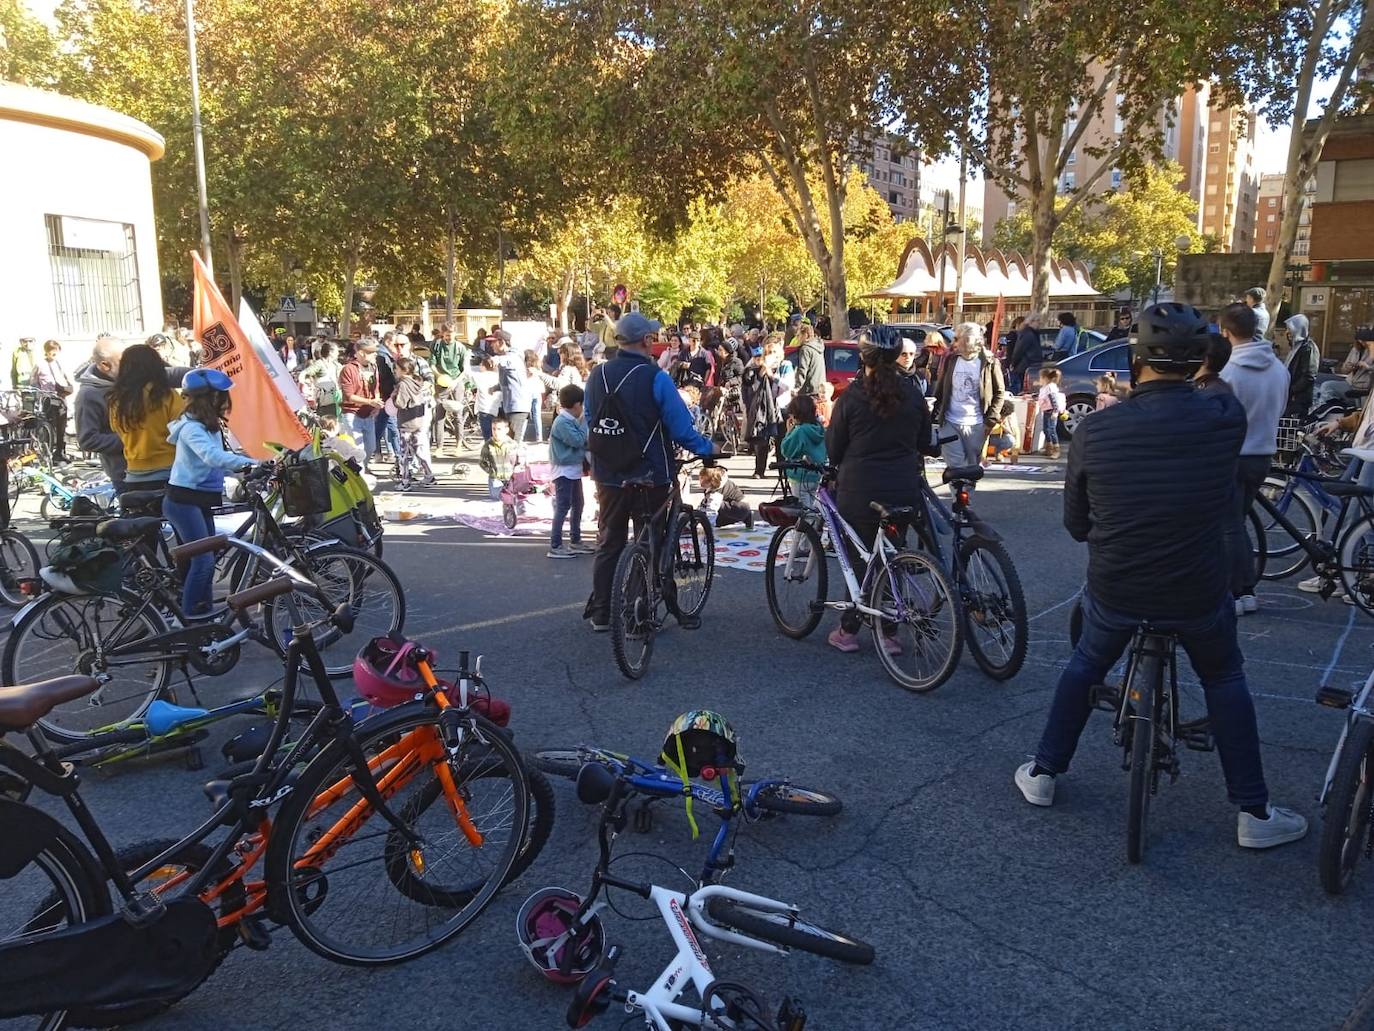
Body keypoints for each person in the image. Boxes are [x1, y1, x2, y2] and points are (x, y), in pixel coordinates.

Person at [1014, 302, 1306, 851]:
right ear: (1199, 360)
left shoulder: (1095, 430)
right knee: (1223, 678)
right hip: (1197, 586)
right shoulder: (1223, 417)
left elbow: (1077, 524)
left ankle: (1046, 773)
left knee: (1086, 663)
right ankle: (1254, 811)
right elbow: (1217, 396)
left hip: (1118, 583)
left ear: (1134, 358)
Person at [581, 311, 714, 632]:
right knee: (649, 538)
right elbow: (682, 429)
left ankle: (601, 612)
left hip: (608, 472)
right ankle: (637, 613)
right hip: (650, 472)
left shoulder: (596, 375)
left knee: (609, 539)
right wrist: (708, 449)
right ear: (647, 341)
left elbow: (589, 419)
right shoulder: (657, 377)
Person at [824, 330, 935, 653]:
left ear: (864, 357)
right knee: (892, 556)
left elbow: (834, 448)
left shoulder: (852, 397)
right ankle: (888, 631)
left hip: (860, 487)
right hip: (903, 486)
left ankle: (849, 629)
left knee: (861, 560)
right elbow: (925, 441)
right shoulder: (912, 395)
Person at [164, 369, 255, 618]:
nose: (227, 402)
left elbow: (224, 456)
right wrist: (252, 463)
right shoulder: (192, 429)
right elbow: (212, 457)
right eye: (222, 396)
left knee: (207, 559)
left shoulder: (209, 426)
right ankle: (189, 622)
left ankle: (205, 614)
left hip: (200, 499)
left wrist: (254, 460)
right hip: (184, 502)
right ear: (210, 398)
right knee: (203, 562)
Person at [1219, 301, 1288, 616]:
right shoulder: (1278, 367)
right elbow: (1282, 407)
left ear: (1226, 332)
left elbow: (1221, 417)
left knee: (1229, 524)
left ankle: (1241, 590)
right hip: (1263, 452)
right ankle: (1241, 587)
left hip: (1233, 454)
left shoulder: (1229, 371)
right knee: (1238, 521)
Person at [930, 323, 1008, 491]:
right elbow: (941, 389)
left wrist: (990, 421)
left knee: (970, 469)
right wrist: (933, 414)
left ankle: (964, 501)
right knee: (956, 468)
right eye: (956, 338)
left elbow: (999, 393)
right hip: (949, 421)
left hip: (977, 424)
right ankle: (957, 505)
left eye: (960, 338)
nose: (956, 342)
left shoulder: (989, 362)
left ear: (974, 340)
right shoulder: (951, 359)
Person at [109, 343, 182, 495]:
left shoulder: (117, 400)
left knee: (144, 520)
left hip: (133, 475)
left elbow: (117, 430)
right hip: (169, 473)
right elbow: (183, 430)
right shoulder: (166, 395)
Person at [75, 334, 129, 491]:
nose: (129, 365)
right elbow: (88, 440)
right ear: (105, 365)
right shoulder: (88, 396)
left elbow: (167, 374)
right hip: (124, 472)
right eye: (123, 361)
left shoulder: (127, 379)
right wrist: (132, 440)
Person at [547, 384, 593, 559]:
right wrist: (585, 422)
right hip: (563, 471)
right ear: (577, 405)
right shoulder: (562, 422)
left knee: (578, 504)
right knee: (563, 507)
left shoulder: (569, 420)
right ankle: (555, 545)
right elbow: (578, 440)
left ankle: (575, 540)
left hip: (573, 470)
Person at [391, 357, 435, 490]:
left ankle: (405, 481)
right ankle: (429, 475)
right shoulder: (418, 382)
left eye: (397, 369)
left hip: (406, 422)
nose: (395, 371)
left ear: (403, 370)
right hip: (418, 420)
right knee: (418, 450)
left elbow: (400, 403)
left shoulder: (403, 384)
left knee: (404, 453)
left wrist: (393, 397)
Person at [339, 338, 382, 471]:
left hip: (368, 413)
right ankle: (360, 476)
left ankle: (363, 468)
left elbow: (376, 389)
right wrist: (370, 402)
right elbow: (349, 396)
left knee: (370, 447)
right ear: (362, 353)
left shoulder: (373, 367)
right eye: (372, 352)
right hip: (352, 414)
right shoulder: (348, 369)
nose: (375, 355)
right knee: (358, 448)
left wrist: (376, 404)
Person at [742, 341, 782, 479]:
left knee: (780, 441)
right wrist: (762, 370)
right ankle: (759, 470)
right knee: (761, 440)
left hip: (780, 407)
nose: (770, 355)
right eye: (768, 353)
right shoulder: (757, 368)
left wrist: (772, 374)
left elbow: (787, 385)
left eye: (773, 353)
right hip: (763, 408)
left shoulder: (783, 367)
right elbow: (751, 385)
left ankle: (782, 471)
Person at [780, 394, 827, 508]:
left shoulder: (800, 431)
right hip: (815, 475)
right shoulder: (818, 428)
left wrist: (789, 432)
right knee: (811, 506)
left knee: (804, 513)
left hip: (801, 476)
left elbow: (786, 450)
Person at [32, 339, 74, 462]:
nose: (55, 355)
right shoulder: (40, 364)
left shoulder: (59, 364)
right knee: (49, 426)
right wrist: (40, 393)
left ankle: (60, 452)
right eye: (53, 352)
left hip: (60, 397)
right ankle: (48, 453)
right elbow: (33, 382)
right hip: (48, 399)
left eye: (56, 352)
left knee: (62, 427)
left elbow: (65, 378)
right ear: (47, 352)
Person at [490, 331, 531, 442]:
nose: (491, 345)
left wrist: (495, 359)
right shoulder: (511, 357)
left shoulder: (513, 357)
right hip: (511, 405)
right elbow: (511, 381)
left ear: (501, 342)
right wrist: (495, 388)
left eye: (493, 342)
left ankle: (515, 459)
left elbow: (506, 361)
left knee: (513, 442)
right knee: (508, 441)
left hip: (518, 406)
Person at [1281, 313, 1319, 417]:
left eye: (1290, 329)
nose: (1287, 332)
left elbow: (1309, 375)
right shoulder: (1295, 347)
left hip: (1298, 398)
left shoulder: (1308, 348)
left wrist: (1292, 390)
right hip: (1289, 396)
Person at [478, 417, 517, 500]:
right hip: (496, 478)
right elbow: (482, 462)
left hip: (510, 478)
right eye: (494, 429)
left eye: (499, 429)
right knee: (497, 497)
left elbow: (519, 460)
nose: (496, 432)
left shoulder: (512, 444)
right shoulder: (488, 445)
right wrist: (491, 471)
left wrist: (515, 471)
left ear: (506, 430)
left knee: (513, 496)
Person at [1036, 367, 1068, 458]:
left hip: (1051, 411)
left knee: (1052, 430)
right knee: (1046, 429)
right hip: (1046, 410)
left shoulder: (1050, 388)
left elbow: (1053, 400)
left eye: (1040, 378)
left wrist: (1055, 411)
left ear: (1045, 378)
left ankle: (1056, 449)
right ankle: (1048, 448)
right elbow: (1042, 397)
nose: (1039, 380)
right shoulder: (1045, 388)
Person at [1008, 312, 1043, 393]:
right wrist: (1013, 363)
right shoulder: (1027, 333)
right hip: (1026, 365)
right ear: (1031, 322)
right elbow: (1019, 350)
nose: (1039, 323)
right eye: (1038, 321)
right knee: (1022, 389)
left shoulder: (1032, 333)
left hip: (1031, 364)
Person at [793, 323, 827, 400]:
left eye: (798, 335)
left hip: (808, 390)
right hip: (819, 387)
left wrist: (797, 387)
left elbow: (803, 369)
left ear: (805, 335)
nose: (797, 338)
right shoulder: (818, 346)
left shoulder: (805, 349)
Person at [1339, 329, 1374, 395]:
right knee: (1327, 386)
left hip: (1365, 387)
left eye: (1364, 342)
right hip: (1350, 383)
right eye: (1359, 342)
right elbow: (1343, 370)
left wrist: (1367, 366)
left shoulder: (1372, 350)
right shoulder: (1355, 350)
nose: (1362, 344)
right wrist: (1348, 367)